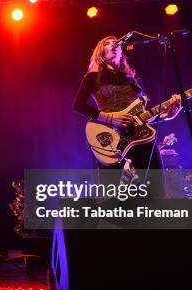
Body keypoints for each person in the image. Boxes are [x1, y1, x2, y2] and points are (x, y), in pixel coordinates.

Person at [73, 36, 181, 195]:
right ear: (100, 51)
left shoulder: (132, 79)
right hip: (114, 139)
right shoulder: (92, 77)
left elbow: (143, 114)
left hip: (143, 139)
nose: (113, 44)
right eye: (107, 43)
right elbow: (78, 105)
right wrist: (110, 117)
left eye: (115, 42)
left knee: (155, 193)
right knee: (121, 198)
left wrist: (167, 115)